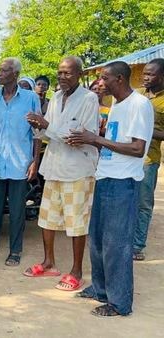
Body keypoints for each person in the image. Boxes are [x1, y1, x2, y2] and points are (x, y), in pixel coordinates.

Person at [67, 61, 154, 317]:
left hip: (123, 182)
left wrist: (95, 138)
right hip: (106, 176)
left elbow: (138, 149)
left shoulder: (139, 105)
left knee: (117, 244)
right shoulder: (116, 104)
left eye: (104, 78)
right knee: (98, 240)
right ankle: (101, 289)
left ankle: (119, 303)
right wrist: (89, 141)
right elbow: (114, 142)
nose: (100, 83)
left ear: (119, 78)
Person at [24, 57, 100, 292]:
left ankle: (76, 271)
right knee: (47, 218)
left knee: (76, 222)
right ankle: (49, 263)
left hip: (77, 170)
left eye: (67, 73)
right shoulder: (56, 97)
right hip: (54, 167)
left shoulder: (89, 99)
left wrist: (45, 124)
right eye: (59, 73)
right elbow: (51, 134)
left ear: (79, 74)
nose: (62, 77)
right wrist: (39, 127)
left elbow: (77, 137)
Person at [0, 57, 41, 266]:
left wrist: (35, 161)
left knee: (17, 211)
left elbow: (38, 133)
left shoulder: (30, 98)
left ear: (15, 74)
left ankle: (15, 251)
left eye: (4, 70)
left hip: (20, 164)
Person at [133, 58, 164, 261]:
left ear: (162, 77)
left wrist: (146, 130)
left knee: (143, 204)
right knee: (127, 201)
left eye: (150, 74)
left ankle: (137, 246)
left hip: (148, 160)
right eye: (144, 73)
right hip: (128, 156)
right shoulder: (137, 95)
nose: (145, 77)